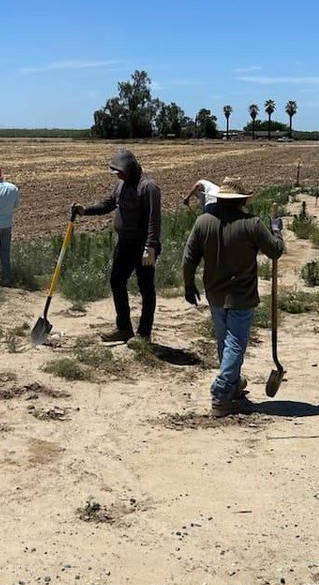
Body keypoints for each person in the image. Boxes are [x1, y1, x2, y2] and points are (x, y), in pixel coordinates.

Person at [182, 176, 284, 417]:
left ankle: (233, 384)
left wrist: (189, 286)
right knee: (235, 344)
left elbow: (189, 258)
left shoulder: (203, 222)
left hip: (215, 294)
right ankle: (221, 393)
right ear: (243, 200)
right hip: (241, 296)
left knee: (224, 343)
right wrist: (277, 230)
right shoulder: (252, 224)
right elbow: (276, 251)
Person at [72, 148, 161, 343]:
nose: (118, 175)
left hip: (143, 246)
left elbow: (154, 220)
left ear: (130, 168)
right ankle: (124, 328)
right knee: (117, 281)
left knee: (146, 289)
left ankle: (144, 335)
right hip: (125, 244)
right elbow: (109, 204)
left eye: (120, 171)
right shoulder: (120, 185)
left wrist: (151, 246)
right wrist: (86, 210)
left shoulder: (148, 187)